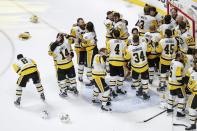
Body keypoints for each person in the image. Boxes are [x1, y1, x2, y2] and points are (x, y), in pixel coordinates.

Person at [50, 33, 78, 97]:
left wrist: (71, 55)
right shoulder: (67, 43)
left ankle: (64, 90)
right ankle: (72, 88)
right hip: (68, 64)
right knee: (71, 78)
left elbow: (50, 52)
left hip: (60, 65)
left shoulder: (54, 45)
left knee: (62, 79)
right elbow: (75, 40)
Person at [125, 35, 152, 99]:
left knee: (134, 79)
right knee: (145, 80)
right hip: (144, 66)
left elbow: (126, 58)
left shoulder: (129, 48)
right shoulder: (143, 45)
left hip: (135, 67)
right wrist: (148, 43)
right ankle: (145, 92)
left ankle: (138, 90)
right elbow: (149, 51)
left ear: (132, 40)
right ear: (138, 40)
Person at [107, 29, 127, 98]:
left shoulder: (109, 41)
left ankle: (113, 90)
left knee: (113, 77)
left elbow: (108, 51)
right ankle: (119, 89)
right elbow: (125, 53)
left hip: (112, 61)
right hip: (120, 61)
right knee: (121, 76)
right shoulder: (124, 42)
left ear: (113, 35)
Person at [166, 52, 186, 118]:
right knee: (182, 98)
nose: (182, 57)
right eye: (181, 56)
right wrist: (184, 82)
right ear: (178, 57)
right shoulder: (180, 65)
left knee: (171, 96)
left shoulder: (172, 61)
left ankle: (169, 108)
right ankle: (179, 112)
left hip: (171, 82)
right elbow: (178, 77)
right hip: (177, 84)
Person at [81, 22, 98, 86]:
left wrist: (81, 42)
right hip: (95, 50)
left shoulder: (86, 35)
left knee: (88, 66)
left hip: (90, 52)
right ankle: (95, 78)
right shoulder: (94, 33)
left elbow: (83, 45)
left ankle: (92, 80)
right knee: (94, 65)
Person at [70, 18, 86, 82]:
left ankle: (89, 76)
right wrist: (76, 40)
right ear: (78, 23)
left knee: (88, 63)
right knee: (81, 63)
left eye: (83, 22)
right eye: (81, 22)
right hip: (79, 48)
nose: (83, 23)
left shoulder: (86, 26)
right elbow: (71, 39)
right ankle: (80, 76)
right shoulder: (74, 29)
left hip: (87, 47)